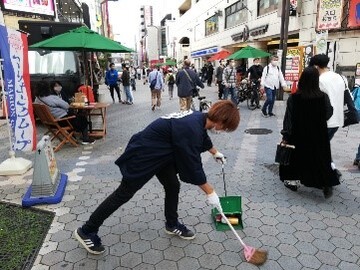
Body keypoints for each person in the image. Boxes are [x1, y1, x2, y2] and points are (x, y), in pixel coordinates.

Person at [74, 100, 240, 255]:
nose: (223, 131)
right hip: (144, 155)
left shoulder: (199, 118)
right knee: (123, 193)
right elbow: (192, 165)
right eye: (225, 128)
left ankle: (172, 223)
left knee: (173, 185)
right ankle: (87, 230)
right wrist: (210, 192)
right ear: (220, 121)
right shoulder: (191, 127)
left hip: (161, 155)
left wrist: (215, 152)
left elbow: (202, 137)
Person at [279, 66, 339, 198]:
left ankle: (292, 181)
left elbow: (288, 120)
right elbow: (329, 113)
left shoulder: (294, 98)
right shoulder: (323, 97)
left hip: (298, 135)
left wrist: (286, 136)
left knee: (295, 159)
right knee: (320, 159)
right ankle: (325, 183)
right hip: (318, 134)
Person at [309, 54, 345, 176]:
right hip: (337, 120)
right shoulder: (339, 77)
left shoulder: (320, 80)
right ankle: (330, 169)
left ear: (316, 66)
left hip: (325, 121)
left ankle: (330, 171)